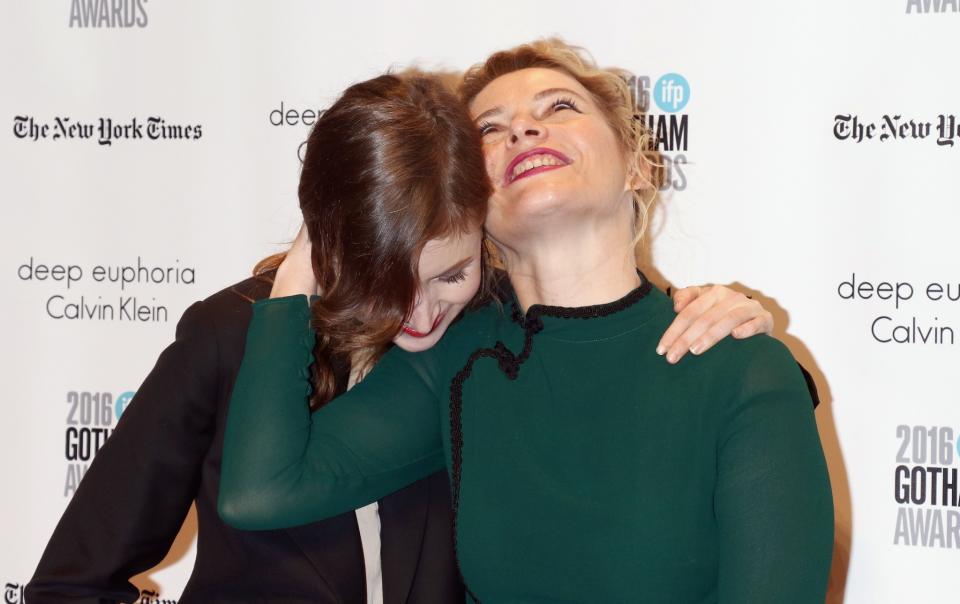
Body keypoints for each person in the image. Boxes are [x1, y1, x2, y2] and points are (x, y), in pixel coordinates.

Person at [26, 72, 770, 604]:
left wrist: (739, 333)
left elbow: (610, 340)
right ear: (333, 244)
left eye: (451, 275)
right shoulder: (229, 337)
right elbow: (71, 582)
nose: (418, 313)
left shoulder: (489, 343)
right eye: (388, 282)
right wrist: (292, 289)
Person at [218, 40, 834, 603]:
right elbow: (262, 490)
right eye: (490, 128)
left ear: (638, 166)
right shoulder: (452, 362)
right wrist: (305, 263)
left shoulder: (739, 365)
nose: (524, 129)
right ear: (465, 200)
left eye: (560, 106)